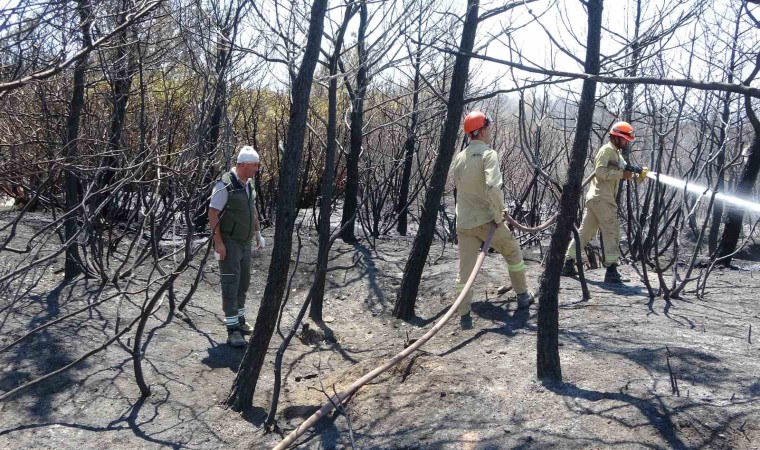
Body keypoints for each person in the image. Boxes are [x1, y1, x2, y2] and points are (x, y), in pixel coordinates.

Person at [451, 111, 535, 329]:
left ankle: (464, 315)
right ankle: (523, 297)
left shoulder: (459, 158)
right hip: (487, 221)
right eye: (488, 128)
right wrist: (498, 216)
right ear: (481, 131)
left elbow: (459, 187)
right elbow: (493, 187)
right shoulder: (489, 155)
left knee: (465, 270)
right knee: (512, 252)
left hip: (464, 223)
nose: (490, 132)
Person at [562, 121, 637, 283]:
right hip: (603, 199)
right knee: (612, 232)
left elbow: (623, 169)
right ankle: (611, 270)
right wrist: (622, 175)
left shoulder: (616, 154)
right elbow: (600, 172)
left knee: (584, 232)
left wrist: (637, 175)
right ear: (616, 137)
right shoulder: (606, 150)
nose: (626, 143)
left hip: (596, 199)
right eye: (625, 139)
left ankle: (568, 263)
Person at [208, 146, 266, 347]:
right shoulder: (225, 185)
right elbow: (213, 212)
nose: (256, 169)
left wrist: (257, 233)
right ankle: (232, 329)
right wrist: (218, 242)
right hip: (230, 242)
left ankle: (240, 320)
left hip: (245, 241)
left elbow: (252, 209)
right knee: (230, 284)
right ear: (242, 165)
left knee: (243, 282)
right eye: (254, 165)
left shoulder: (248, 184)